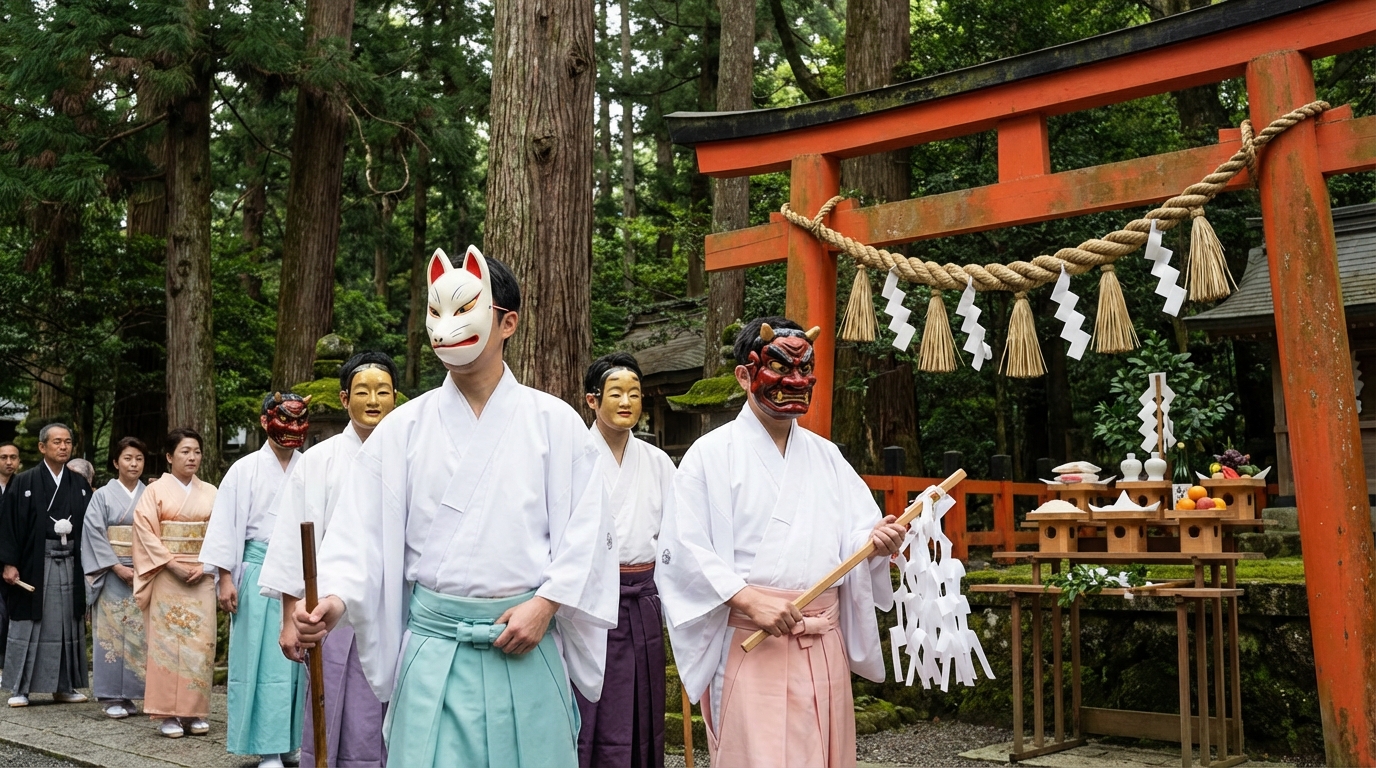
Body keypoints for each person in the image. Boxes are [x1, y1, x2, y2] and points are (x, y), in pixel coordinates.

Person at [295, 246, 619, 768]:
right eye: (436, 310)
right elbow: (359, 534)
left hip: (525, 642)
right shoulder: (403, 428)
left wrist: (547, 604)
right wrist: (332, 601)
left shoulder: (554, 424)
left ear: (507, 322)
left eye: (465, 309)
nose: (447, 325)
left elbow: (588, 530)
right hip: (433, 651)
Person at [656, 317, 907, 768]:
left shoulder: (826, 455)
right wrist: (748, 599)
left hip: (821, 640)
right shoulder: (709, 456)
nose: (795, 382)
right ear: (744, 375)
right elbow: (685, 549)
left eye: (804, 371)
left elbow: (853, 535)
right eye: (780, 369)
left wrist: (876, 540)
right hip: (754, 640)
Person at [259, 351, 400, 768]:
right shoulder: (319, 461)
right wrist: (289, 617)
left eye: (382, 391)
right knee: (335, 712)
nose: (373, 400)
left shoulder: (410, 455)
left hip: (396, 606)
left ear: (396, 399)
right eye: (362, 391)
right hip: (331, 609)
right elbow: (290, 540)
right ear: (343, 399)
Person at [575, 353, 675, 768]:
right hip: (586, 602)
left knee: (642, 704)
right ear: (592, 401)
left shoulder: (657, 462)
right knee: (587, 704)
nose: (626, 401)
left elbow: (678, 538)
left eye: (634, 393)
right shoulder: (573, 456)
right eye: (615, 393)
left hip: (642, 599)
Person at [199, 393, 308, 768]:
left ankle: (294, 741)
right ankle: (267, 747)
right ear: (265, 422)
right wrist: (225, 577)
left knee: (300, 661)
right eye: (285, 420)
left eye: (300, 421)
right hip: (257, 568)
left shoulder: (309, 466)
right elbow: (226, 526)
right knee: (260, 663)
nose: (293, 429)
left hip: (301, 573)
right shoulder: (244, 469)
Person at [0, 423, 92, 708]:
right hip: (33, 564)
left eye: (67, 442)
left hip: (70, 562)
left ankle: (63, 686)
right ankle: (20, 688)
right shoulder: (24, 482)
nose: (63, 447)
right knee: (29, 623)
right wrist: (8, 563)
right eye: (56, 442)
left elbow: (90, 528)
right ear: (42, 447)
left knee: (66, 624)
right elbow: (8, 526)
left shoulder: (78, 484)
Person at [134, 428, 217, 738]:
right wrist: (171, 563)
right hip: (167, 575)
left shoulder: (211, 491)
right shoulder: (154, 492)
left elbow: (221, 534)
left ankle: (194, 711)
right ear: (169, 457)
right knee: (167, 643)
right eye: (184, 451)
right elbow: (144, 533)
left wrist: (206, 564)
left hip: (201, 575)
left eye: (196, 451)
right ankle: (167, 712)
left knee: (200, 643)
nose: (192, 457)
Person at [82, 437, 149, 718]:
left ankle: (132, 695)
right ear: (115, 462)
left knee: (139, 633)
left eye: (139, 459)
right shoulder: (102, 496)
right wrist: (115, 566)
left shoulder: (151, 494)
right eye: (127, 458)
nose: (133, 464)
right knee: (110, 633)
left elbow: (156, 534)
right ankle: (111, 695)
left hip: (144, 570)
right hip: (111, 571)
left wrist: (145, 566)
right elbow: (94, 533)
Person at [0, 442, 20, 660]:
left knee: (9, 615)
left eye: (13, 457)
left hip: (14, 560)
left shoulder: (22, 486)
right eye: (3, 457)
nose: (8, 462)